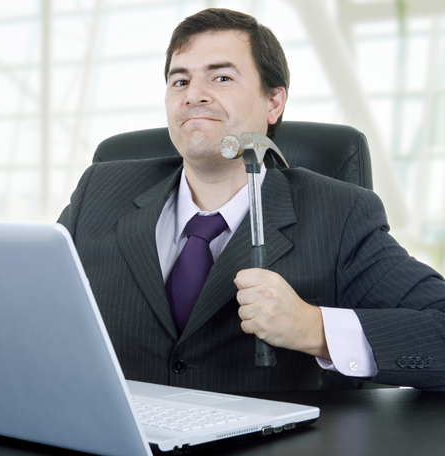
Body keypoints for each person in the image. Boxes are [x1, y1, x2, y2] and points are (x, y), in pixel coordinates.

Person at [58, 8, 445, 392]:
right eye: (180, 81)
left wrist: (313, 327)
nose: (193, 95)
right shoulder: (99, 190)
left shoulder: (339, 216)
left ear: (273, 102)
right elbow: (22, 306)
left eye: (221, 77)